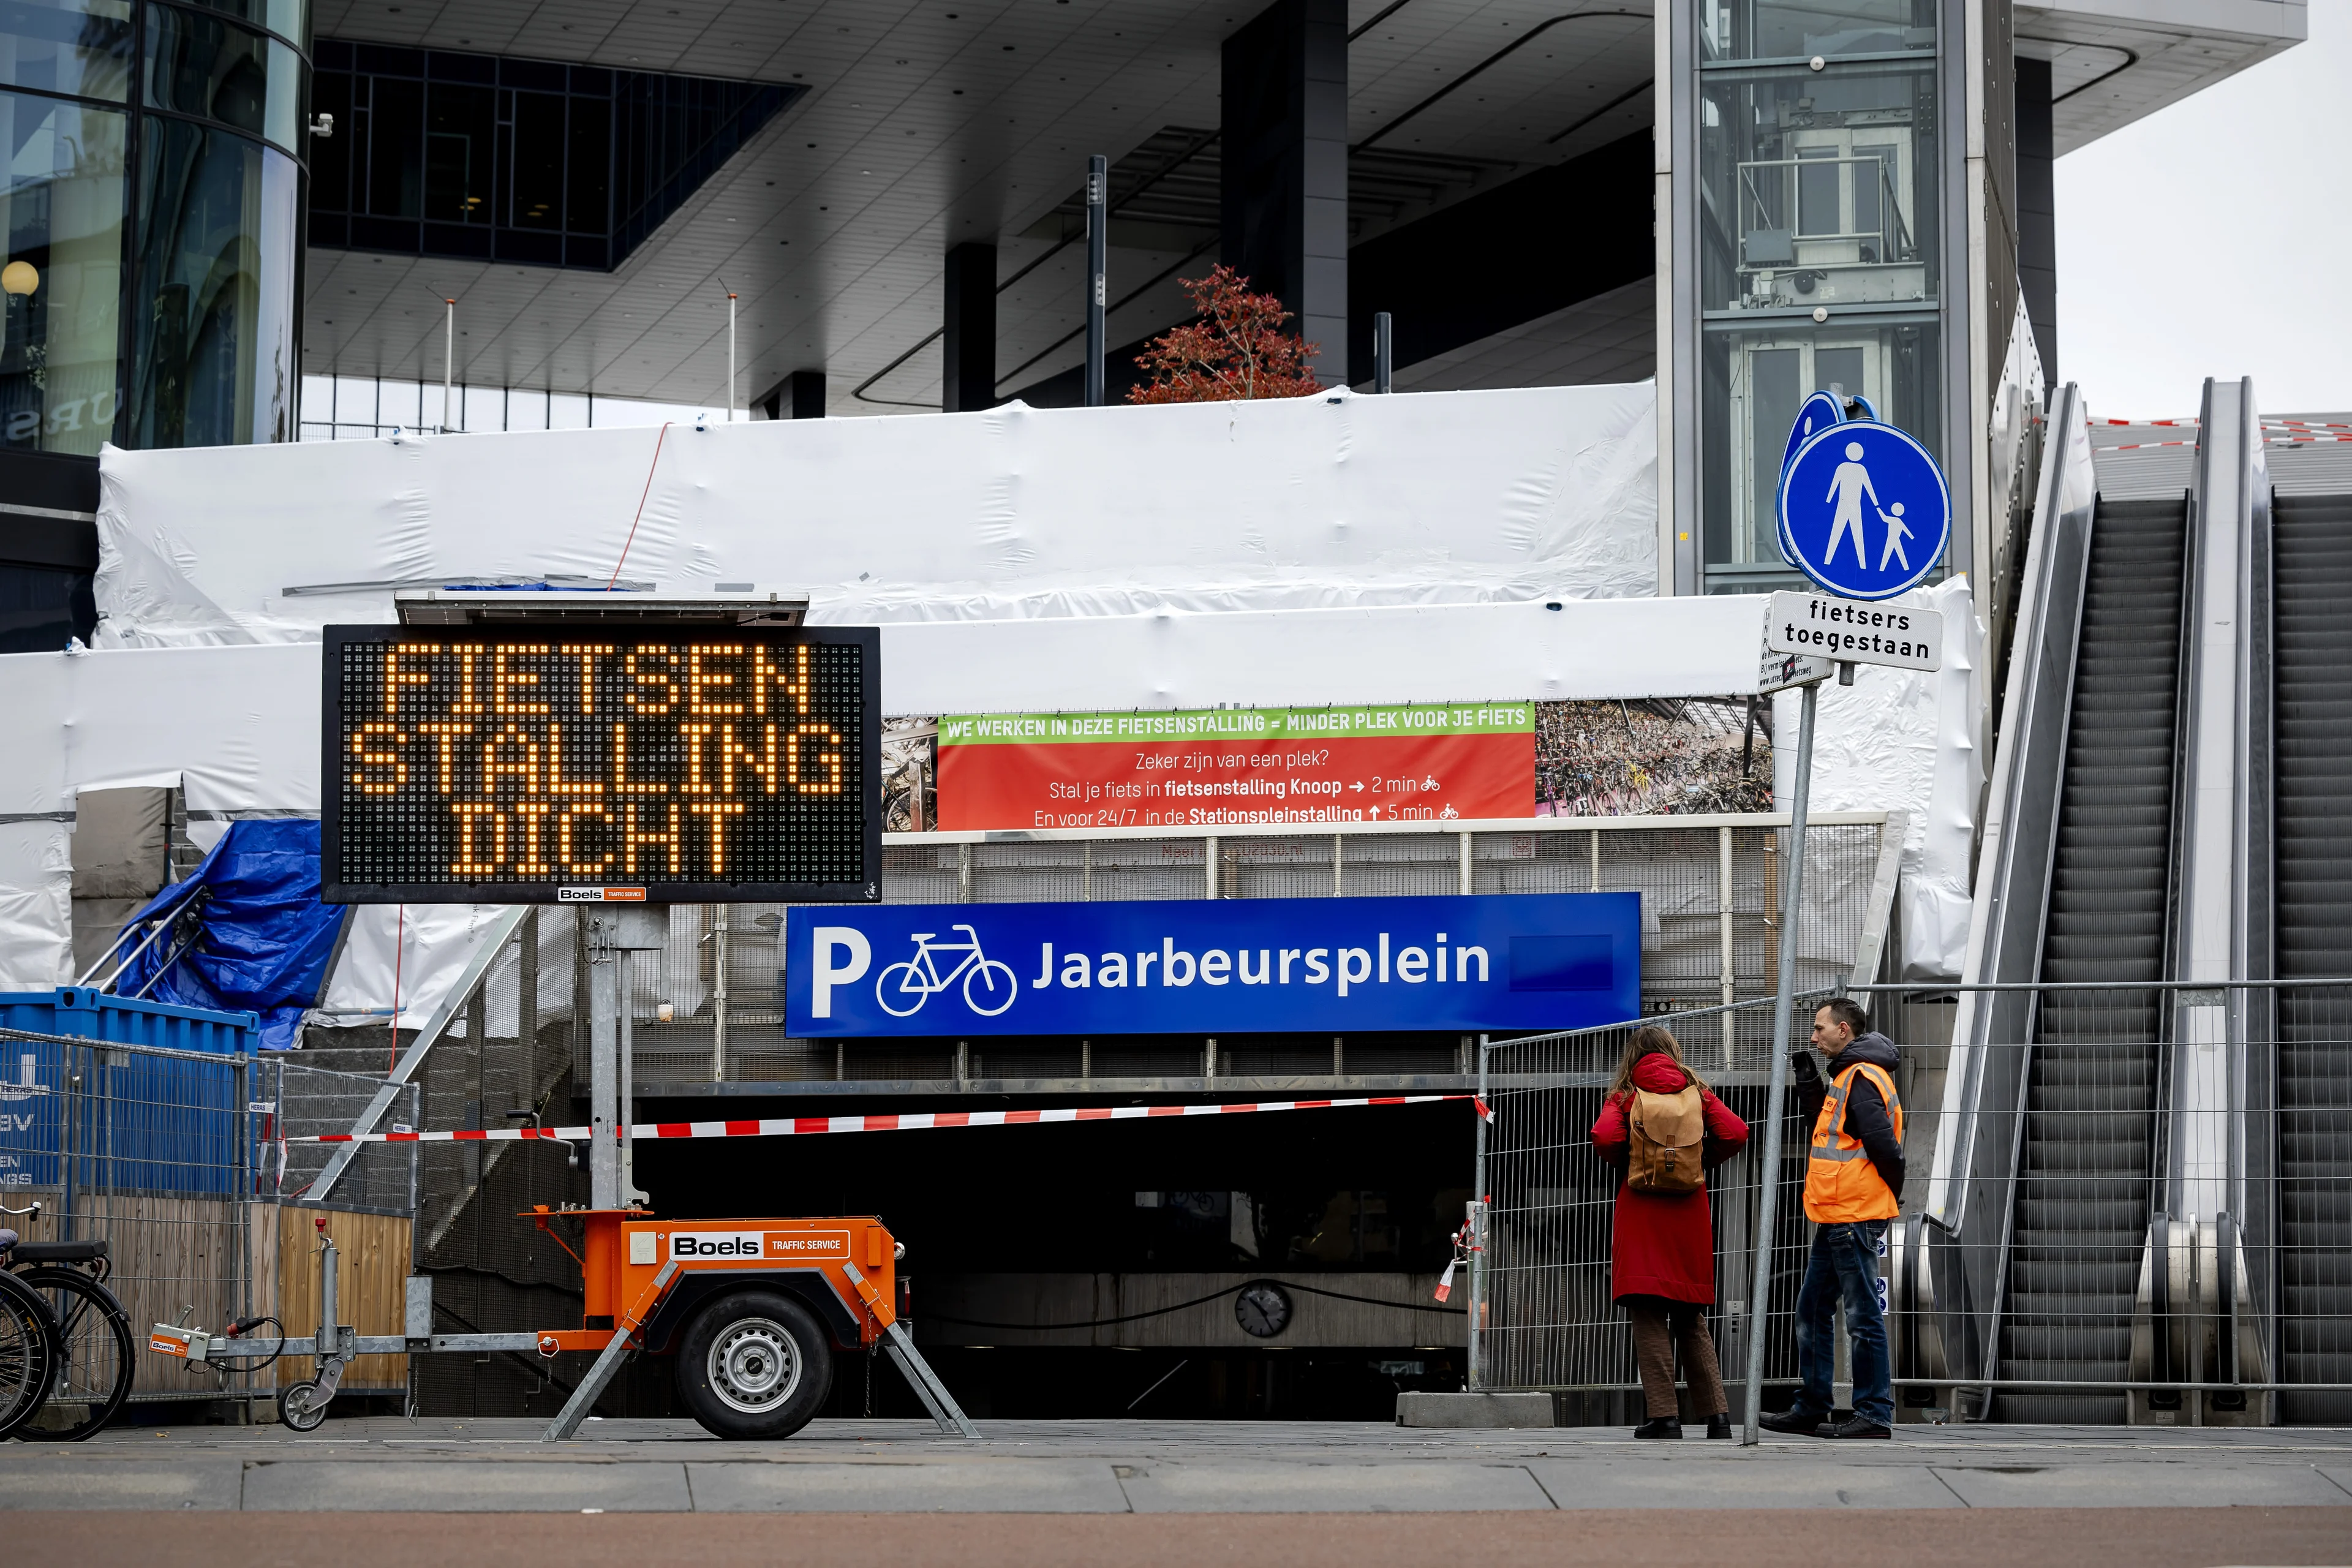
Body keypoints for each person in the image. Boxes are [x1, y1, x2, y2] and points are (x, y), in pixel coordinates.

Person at [1591, 1024, 1750, 1439]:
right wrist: (1697, 1162)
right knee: (1690, 1318)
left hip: (1642, 1212)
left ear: (1633, 1056)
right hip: (1688, 1215)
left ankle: (1665, 1417)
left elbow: (1604, 1136)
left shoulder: (1626, 1094)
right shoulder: (1696, 1092)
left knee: (1647, 1314)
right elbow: (1736, 1132)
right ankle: (1717, 1418)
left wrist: (1631, 1162)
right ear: (1672, 1051)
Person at [1760, 997, 1905, 1439]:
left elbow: (1884, 1148)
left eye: (1820, 1028)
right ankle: (1813, 1406)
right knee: (1813, 1308)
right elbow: (1829, 1133)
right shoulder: (1848, 1076)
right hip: (1840, 1213)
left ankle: (1875, 1414)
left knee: (1860, 1316)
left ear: (1845, 1030)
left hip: (1853, 1213)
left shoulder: (1860, 1077)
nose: (1813, 1035)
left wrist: (1885, 1197)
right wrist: (1807, 1079)